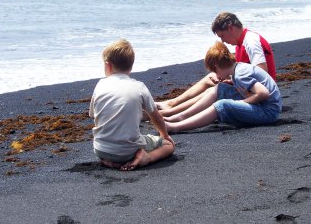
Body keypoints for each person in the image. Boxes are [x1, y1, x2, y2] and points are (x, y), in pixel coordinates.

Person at [157, 12, 276, 117]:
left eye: (222, 36)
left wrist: (235, 81)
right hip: (249, 85)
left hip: (257, 92)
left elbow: (262, 71)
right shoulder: (242, 41)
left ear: (230, 28)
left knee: (215, 89)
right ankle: (172, 104)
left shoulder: (251, 41)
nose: (223, 41)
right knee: (211, 78)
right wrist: (232, 80)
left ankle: (175, 110)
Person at [89, 39, 175, 171]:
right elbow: (156, 117)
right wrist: (164, 134)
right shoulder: (139, 87)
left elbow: (94, 115)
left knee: (110, 144)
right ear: (131, 67)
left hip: (100, 149)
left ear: (108, 66)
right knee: (169, 145)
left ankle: (111, 161)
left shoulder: (100, 85)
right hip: (127, 151)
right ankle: (147, 158)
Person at [164, 41, 282, 133]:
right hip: (263, 105)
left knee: (222, 105)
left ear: (217, 66)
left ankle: (176, 127)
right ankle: (180, 116)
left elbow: (263, 93)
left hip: (268, 112)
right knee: (219, 88)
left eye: (214, 71)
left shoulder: (241, 75)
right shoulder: (239, 68)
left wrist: (244, 101)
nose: (216, 75)